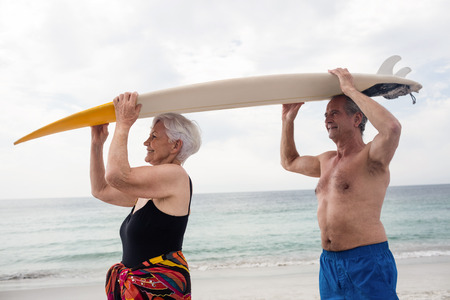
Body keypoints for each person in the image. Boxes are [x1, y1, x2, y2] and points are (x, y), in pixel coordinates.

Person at [281, 68, 400, 299]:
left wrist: (350, 90)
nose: (327, 119)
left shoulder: (372, 157)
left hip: (367, 262)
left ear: (357, 119)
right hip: (329, 264)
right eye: (326, 115)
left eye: (334, 113)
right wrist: (288, 120)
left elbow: (392, 128)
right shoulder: (326, 161)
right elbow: (289, 162)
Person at [90, 92, 201, 300]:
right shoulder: (149, 190)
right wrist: (97, 144)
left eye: (154, 136)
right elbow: (101, 190)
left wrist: (123, 124)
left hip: (159, 291)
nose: (146, 142)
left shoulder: (176, 176)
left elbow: (116, 175)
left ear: (175, 146)